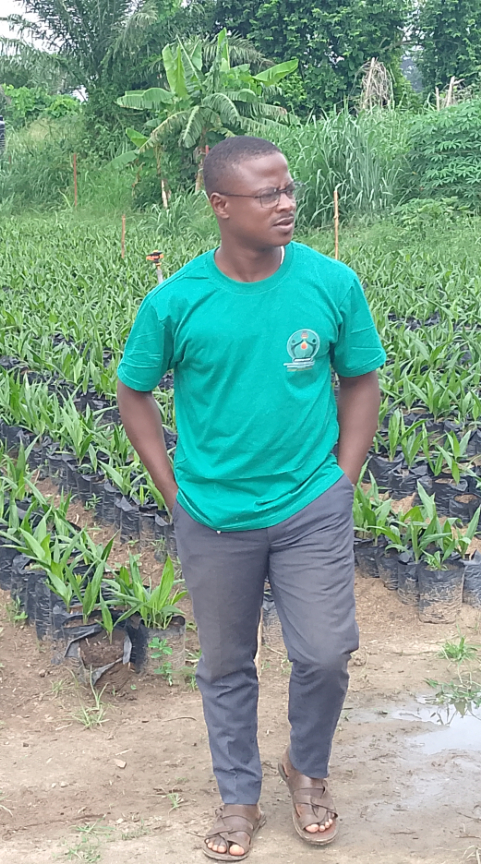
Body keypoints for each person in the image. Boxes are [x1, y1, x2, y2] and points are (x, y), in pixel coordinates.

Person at [114, 136, 385, 861]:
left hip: (309, 506)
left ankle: (308, 768)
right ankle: (239, 797)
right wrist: (173, 491)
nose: (287, 203)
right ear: (222, 205)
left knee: (325, 654)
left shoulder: (332, 284)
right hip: (213, 515)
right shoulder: (177, 301)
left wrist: (343, 479)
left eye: (289, 188)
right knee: (226, 665)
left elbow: (360, 378)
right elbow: (132, 391)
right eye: (267, 193)